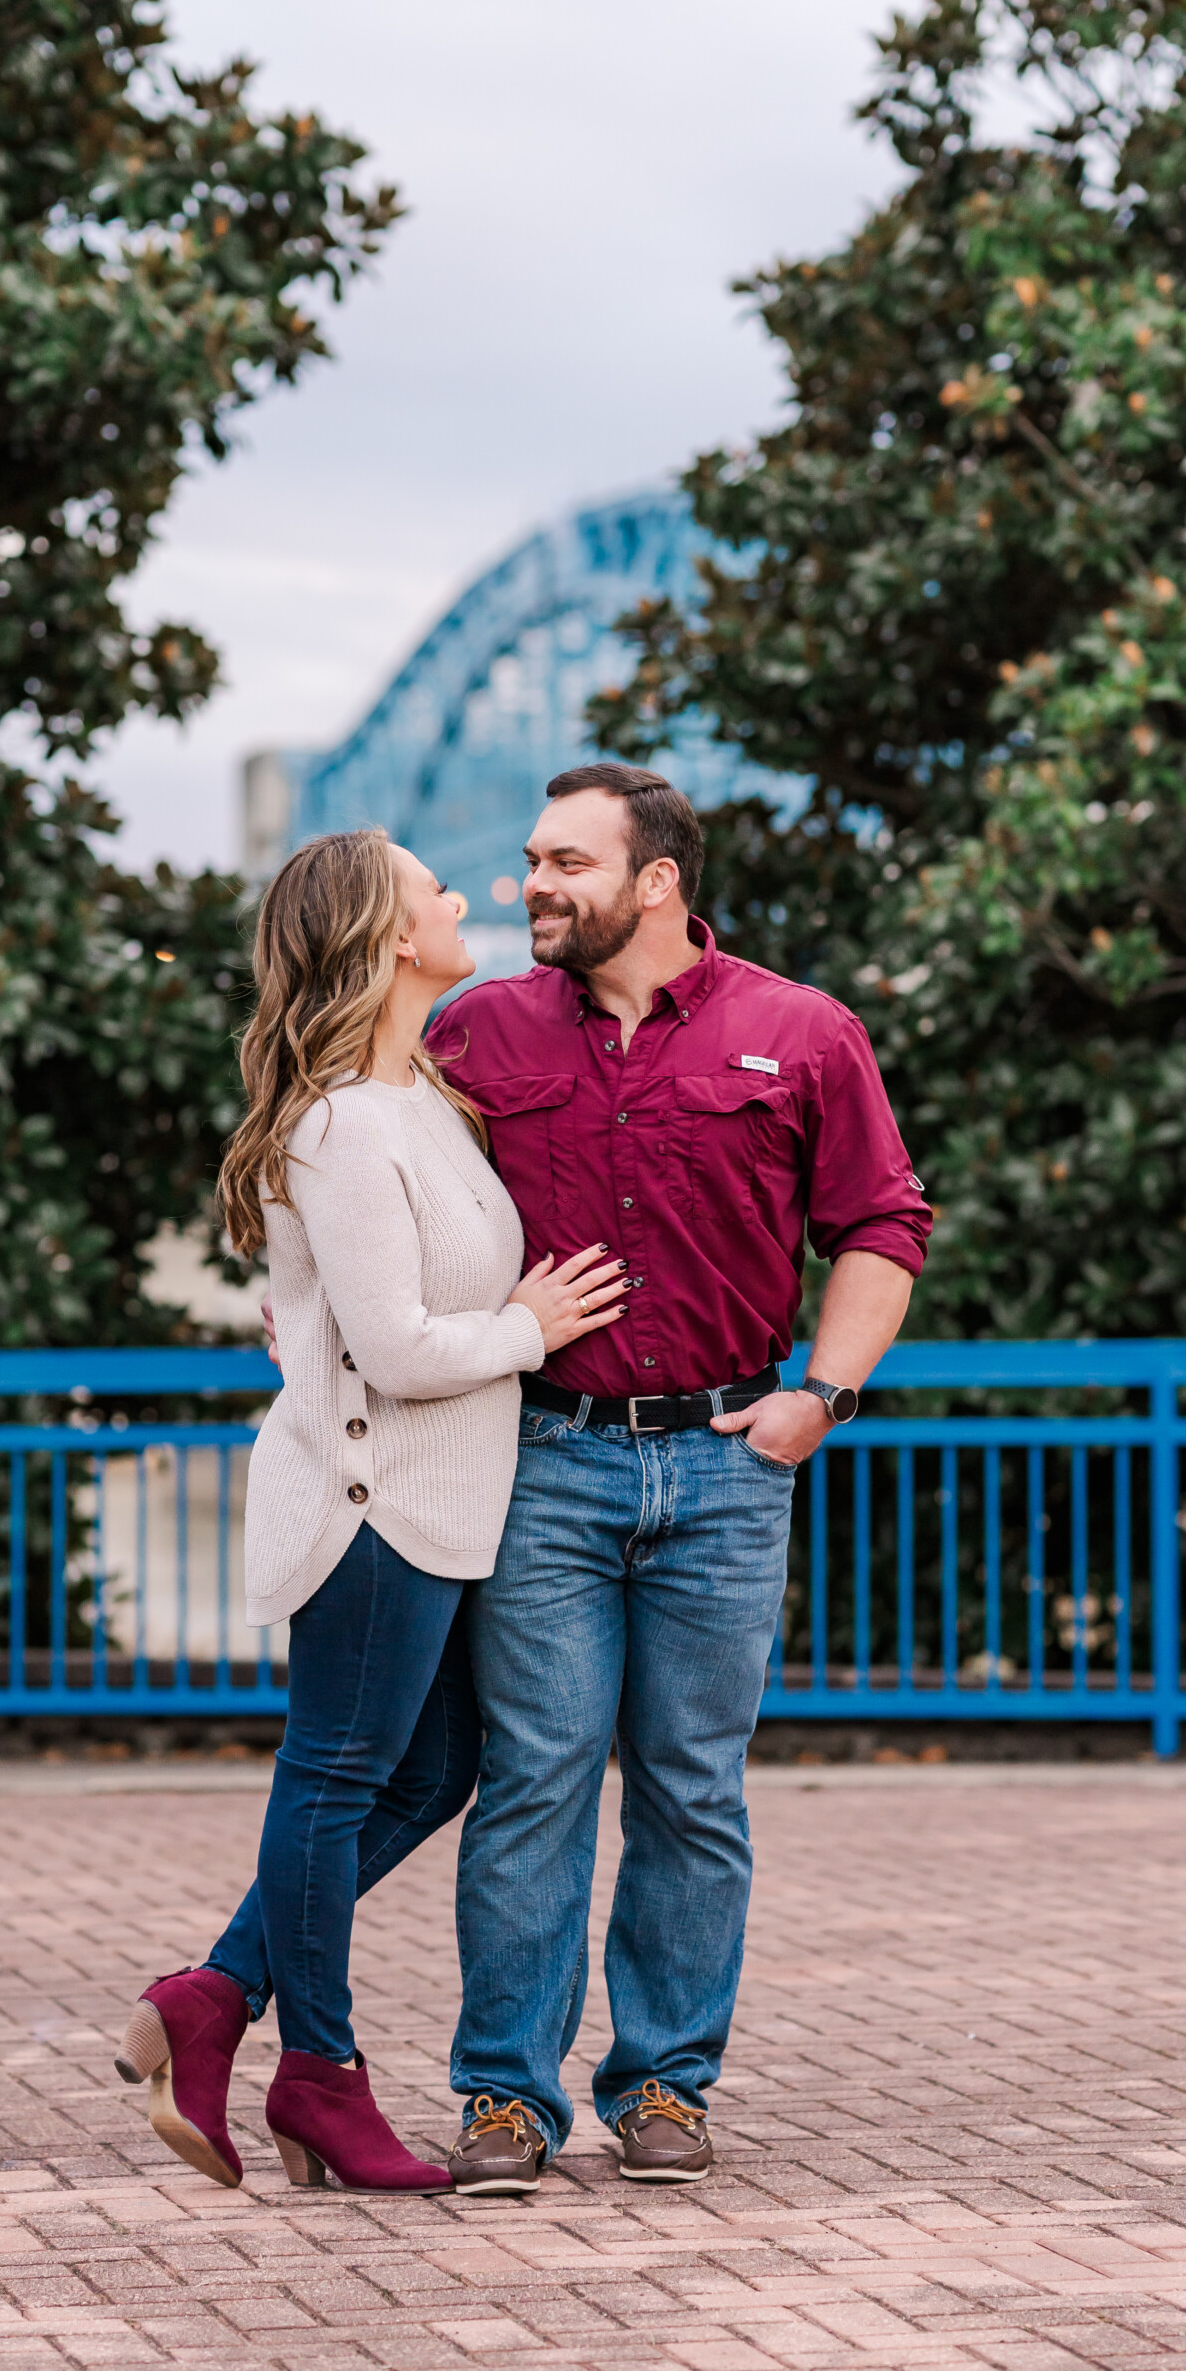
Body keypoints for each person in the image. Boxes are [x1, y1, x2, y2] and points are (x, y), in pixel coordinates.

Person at [430, 763, 931, 2193]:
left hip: (725, 1468)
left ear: (657, 882)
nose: (535, 883)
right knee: (532, 1782)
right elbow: (372, 1172)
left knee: (693, 1790)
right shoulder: (475, 1033)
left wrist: (818, 1398)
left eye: (567, 863)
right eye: (532, 856)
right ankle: (505, 2099)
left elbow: (882, 1225)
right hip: (544, 1461)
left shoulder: (803, 1031)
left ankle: (664, 2083)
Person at [113, 827, 626, 2196]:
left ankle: (216, 1997)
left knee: (426, 1772)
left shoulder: (422, 1106)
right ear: (395, 941)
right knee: (337, 1779)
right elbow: (395, 1349)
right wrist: (527, 1325)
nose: (467, 901)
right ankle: (321, 2079)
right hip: (370, 1502)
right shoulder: (340, 1123)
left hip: (442, 1508)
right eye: (434, 891)